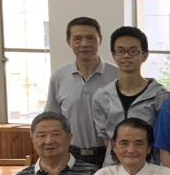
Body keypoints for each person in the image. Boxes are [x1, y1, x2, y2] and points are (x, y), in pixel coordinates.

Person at [91, 26, 170, 167]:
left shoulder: (160, 96)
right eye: (120, 51)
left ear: (144, 55)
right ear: (113, 55)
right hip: (113, 169)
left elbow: (163, 138)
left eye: (133, 51)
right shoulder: (102, 96)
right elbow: (105, 138)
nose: (126, 56)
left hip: (149, 168)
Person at [46, 17, 119, 166]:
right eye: (78, 38)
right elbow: (50, 119)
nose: (84, 44)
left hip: (110, 155)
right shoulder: (59, 77)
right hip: (71, 155)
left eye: (90, 38)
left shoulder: (117, 76)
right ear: (69, 42)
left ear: (100, 40)